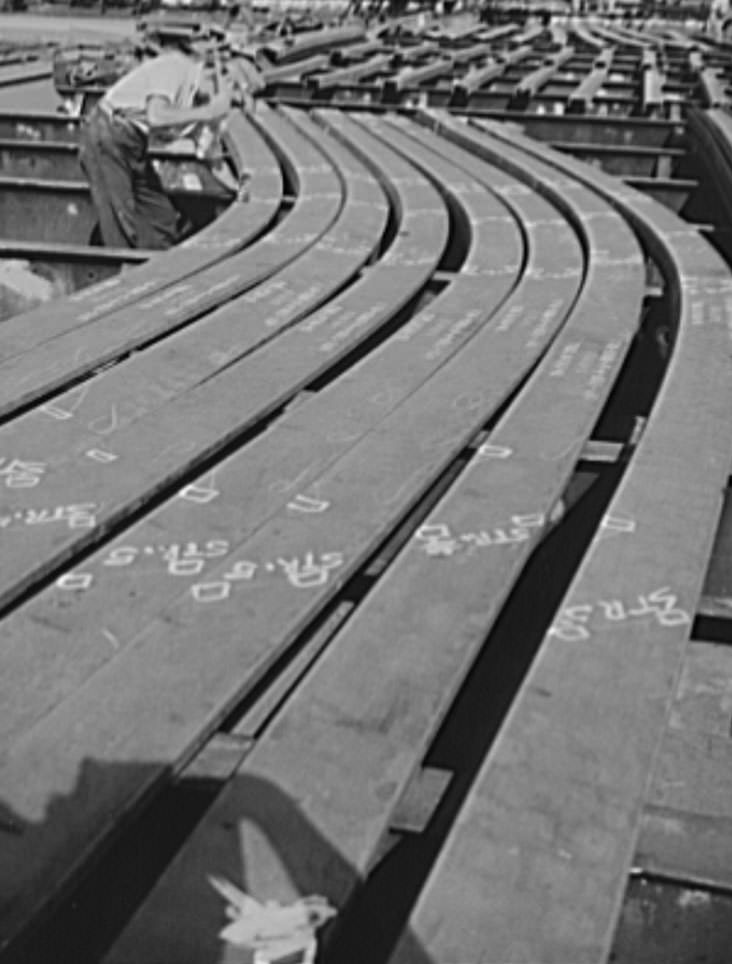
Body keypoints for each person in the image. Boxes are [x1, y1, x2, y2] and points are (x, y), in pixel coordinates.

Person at [78, 41, 233, 250]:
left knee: (160, 217)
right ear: (208, 74)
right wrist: (208, 112)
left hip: (134, 143)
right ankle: (123, 274)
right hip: (109, 133)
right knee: (120, 221)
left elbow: (211, 158)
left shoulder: (196, 104)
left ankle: (158, 267)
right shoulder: (176, 68)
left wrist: (237, 190)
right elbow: (156, 115)